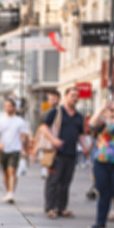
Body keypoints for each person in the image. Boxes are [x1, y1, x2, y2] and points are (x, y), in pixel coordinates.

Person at [40, 87, 84, 218]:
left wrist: (85, 147)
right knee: (53, 181)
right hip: (56, 153)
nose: (74, 98)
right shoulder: (56, 112)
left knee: (66, 182)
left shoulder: (79, 116)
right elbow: (43, 127)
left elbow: (81, 134)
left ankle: (62, 207)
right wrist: (54, 140)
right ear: (65, 96)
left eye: (76, 96)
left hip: (71, 153)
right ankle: (50, 208)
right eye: (72, 95)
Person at [0, 98, 30, 203]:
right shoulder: (0, 121)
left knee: (12, 171)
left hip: (15, 149)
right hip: (3, 149)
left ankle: (11, 193)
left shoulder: (20, 121)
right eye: (6, 106)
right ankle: (8, 191)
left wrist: (24, 144)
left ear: (14, 107)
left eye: (10, 106)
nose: (8, 108)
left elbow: (24, 135)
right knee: (5, 172)